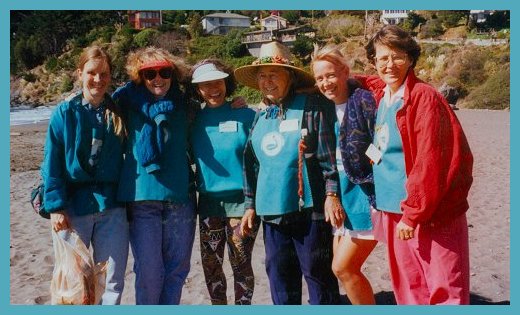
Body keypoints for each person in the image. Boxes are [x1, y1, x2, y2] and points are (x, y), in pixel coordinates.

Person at [359, 25, 474, 304]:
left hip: (428, 213)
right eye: (382, 58)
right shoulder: (384, 94)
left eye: (397, 56)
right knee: (410, 290)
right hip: (394, 212)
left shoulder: (423, 96)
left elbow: (431, 162)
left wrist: (413, 214)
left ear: (410, 59)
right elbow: (357, 81)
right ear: (373, 61)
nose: (389, 64)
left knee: (444, 290)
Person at [235, 41, 340, 305]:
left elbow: (328, 156)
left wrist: (332, 194)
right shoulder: (261, 115)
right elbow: (251, 164)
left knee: (317, 274)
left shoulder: (312, 106)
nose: (267, 81)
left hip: (310, 210)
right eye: (262, 75)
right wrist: (249, 205)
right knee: (279, 277)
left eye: (274, 74)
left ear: (290, 76)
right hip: (271, 212)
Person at [42, 45, 129, 304]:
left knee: (112, 280)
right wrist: (55, 207)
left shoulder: (119, 111)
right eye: (92, 72)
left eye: (104, 74)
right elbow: (52, 162)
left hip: (112, 206)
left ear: (111, 76)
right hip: (73, 208)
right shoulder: (65, 113)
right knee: (76, 282)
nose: (98, 80)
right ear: (80, 73)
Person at [112, 47, 196, 305]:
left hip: (180, 198)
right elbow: (94, 101)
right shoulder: (126, 100)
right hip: (141, 198)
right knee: (149, 272)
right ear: (139, 76)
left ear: (174, 73)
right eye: (149, 73)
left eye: (164, 71)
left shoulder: (185, 102)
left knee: (176, 270)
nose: (157, 78)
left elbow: (215, 93)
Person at [310, 44, 378, 305]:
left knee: (344, 268)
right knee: (342, 270)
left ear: (345, 72)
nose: (326, 83)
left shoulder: (363, 102)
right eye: (320, 78)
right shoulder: (325, 110)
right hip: (343, 202)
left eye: (331, 75)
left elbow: (380, 144)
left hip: (366, 200)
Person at [189, 59, 260, 305]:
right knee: (211, 266)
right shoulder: (192, 119)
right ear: (197, 90)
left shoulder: (246, 114)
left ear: (226, 83)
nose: (212, 89)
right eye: (205, 85)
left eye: (217, 82)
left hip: (243, 204)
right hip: (208, 204)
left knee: (241, 262)